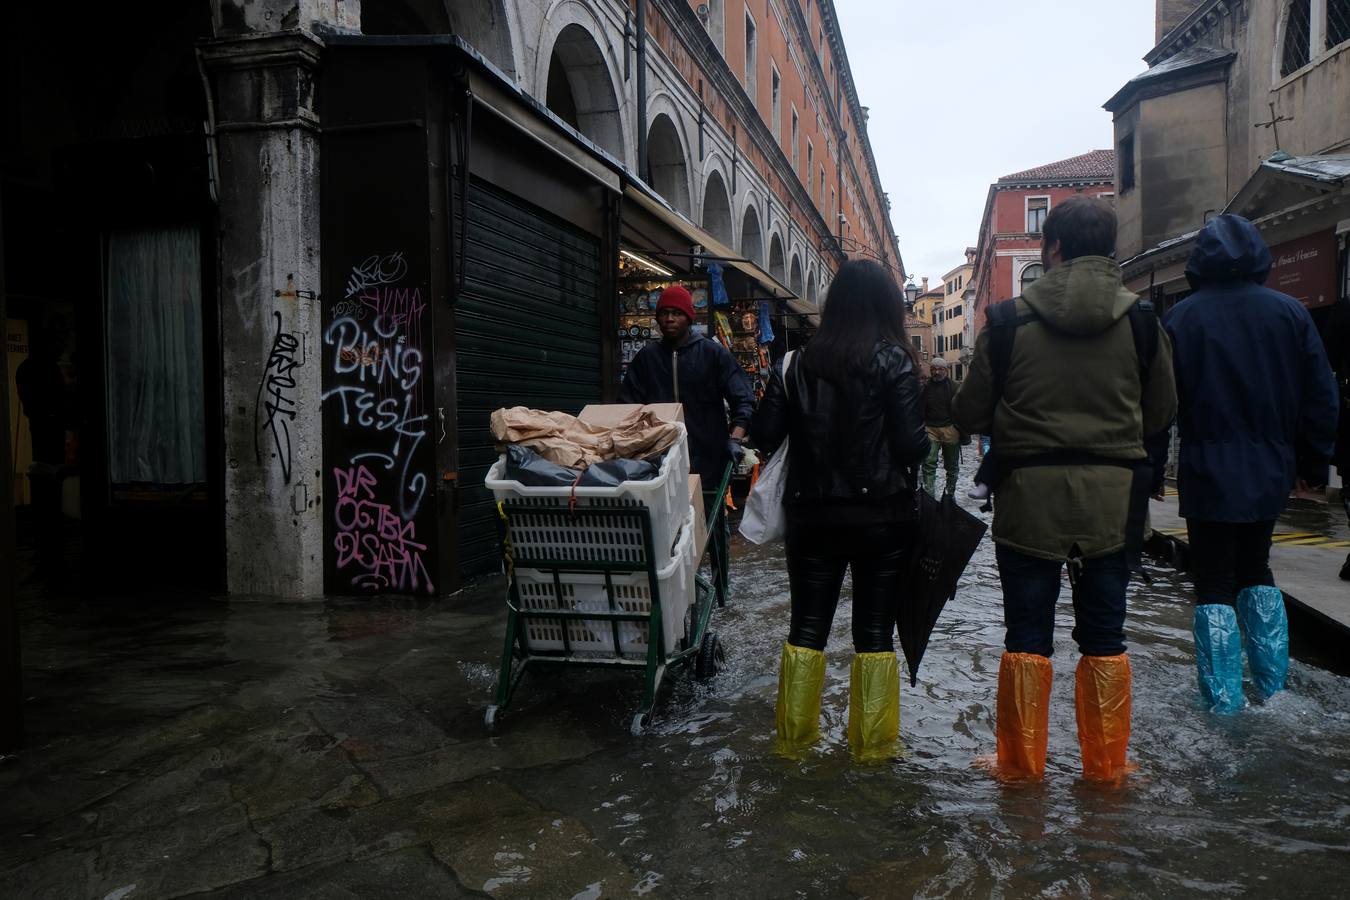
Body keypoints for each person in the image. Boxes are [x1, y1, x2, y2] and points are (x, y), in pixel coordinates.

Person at [954, 196, 1177, 782]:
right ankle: (1107, 770)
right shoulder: (1143, 321)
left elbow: (971, 410)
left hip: (1029, 498)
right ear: (1110, 249)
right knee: (1105, 633)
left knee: (1027, 632)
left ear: (1051, 248)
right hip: (1114, 503)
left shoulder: (1005, 323)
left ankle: (1019, 769)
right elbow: (1161, 414)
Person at [752, 259, 929, 762]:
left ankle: (793, 746)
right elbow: (913, 447)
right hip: (883, 521)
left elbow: (766, 435)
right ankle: (872, 753)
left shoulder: (795, 363)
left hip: (813, 517)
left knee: (807, 628)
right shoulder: (895, 360)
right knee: (874, 634)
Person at [1165, 215, 1339, 713]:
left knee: (1213, 578)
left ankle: (1222, 699)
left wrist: (1152, 467)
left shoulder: (1182, 318)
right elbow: (1321, 396)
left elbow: (1156, 401)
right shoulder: (1290, 312)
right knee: (1258, 565)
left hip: (1205, 466)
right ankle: (1272, 687)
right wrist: (1313, 463)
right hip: (1270, 466)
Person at [620, 284, 755, 486]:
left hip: (708, 459)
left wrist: (735, 439)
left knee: (705, 513)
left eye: (677, 313)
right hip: (657, 459)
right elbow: (627, 406)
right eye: (664, 313)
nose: (670, 319)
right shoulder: (646, 358)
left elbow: (743, 400)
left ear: (689, 317)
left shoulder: (713, 354)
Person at [15, 321, 70, 583]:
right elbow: (43, 406)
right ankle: (50, 556)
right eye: (58, 342)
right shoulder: (40, 370)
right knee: (48, 498)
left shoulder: (32, 369)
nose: (62, 347)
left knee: (48, 499)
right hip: (48, 439)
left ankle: (48, 555)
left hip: (47, 438)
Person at [921, 357, 961, 497]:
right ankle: (929, 495)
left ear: (946, 370)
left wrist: (960, 428)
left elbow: (962, 409)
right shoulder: (925, 387)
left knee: (952, 466)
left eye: (940, 369)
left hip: (950, 429)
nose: (937, 372)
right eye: (934, 369)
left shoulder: (955, 387)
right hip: (930, 429)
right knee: (928, 464)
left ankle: (950, 494)